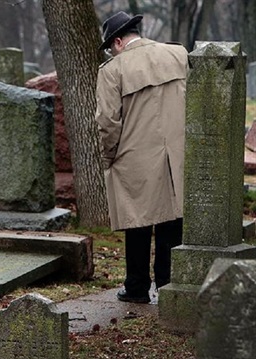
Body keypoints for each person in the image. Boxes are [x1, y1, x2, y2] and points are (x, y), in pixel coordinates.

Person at [94, 11, 188, 303]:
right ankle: (167, 284)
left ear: (118, 42)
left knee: (137, 223)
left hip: (134, 155)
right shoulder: (178, 54)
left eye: (110, 46)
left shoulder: (112, 70)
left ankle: (136, 287)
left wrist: (108, 157)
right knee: (171, 219)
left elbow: (108, 122)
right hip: (177, 152)